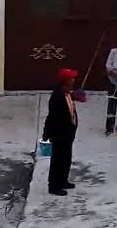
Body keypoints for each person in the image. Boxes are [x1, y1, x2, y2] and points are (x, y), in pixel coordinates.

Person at [42, 67, 79, 196]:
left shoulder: (67, 94)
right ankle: (54, 185)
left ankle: (63, 180)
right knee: (58, 160)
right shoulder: (57, 98)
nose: (74, 80)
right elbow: (51, 117)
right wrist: (46, 134)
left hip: (68, 133)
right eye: (71, 78)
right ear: (65, 81)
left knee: (66, 159)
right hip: (59, 134)